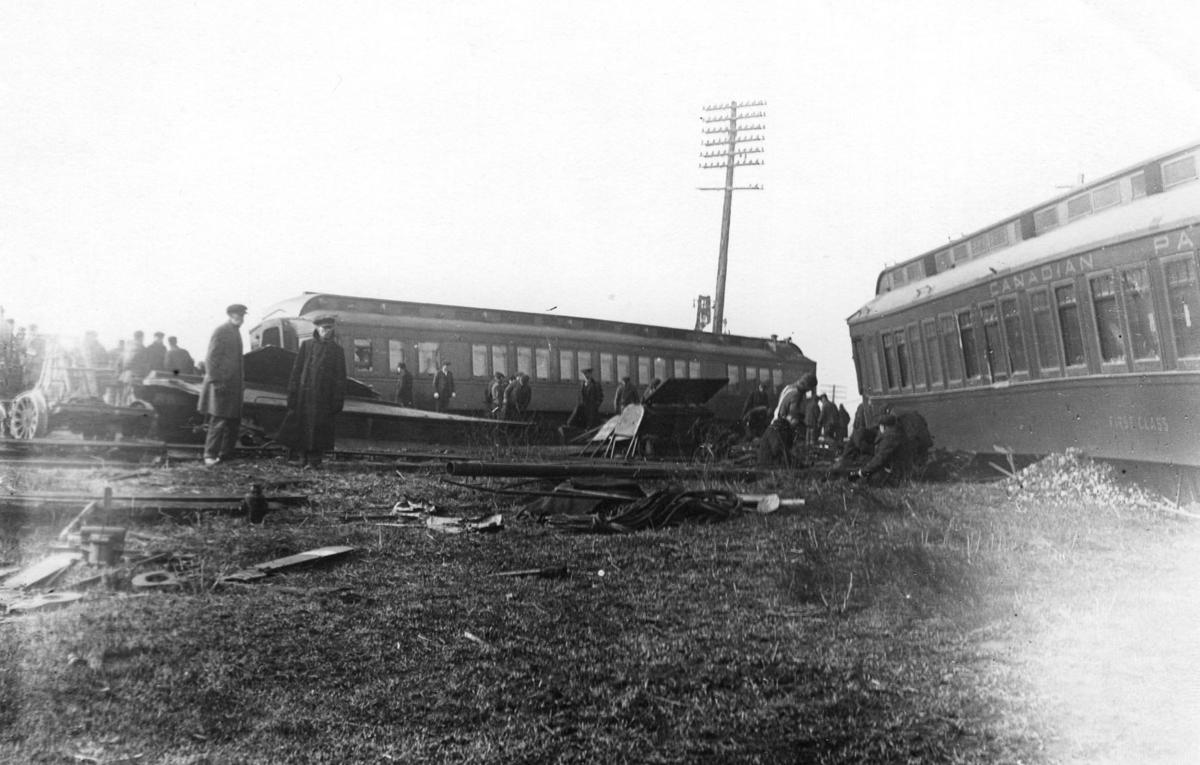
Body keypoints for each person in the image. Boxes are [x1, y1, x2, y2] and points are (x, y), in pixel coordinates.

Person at [275, 314, 346, 469]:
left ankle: (314, 461)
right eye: (324, 328)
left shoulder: (337, 351)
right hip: (304, 395)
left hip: (324, 398)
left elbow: (340, 378)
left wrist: (337, 400)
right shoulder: (306, 346)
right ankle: (302, 458)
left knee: (319, 430)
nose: (327, 332)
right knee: (302, 427)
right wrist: (292, 393)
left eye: (330, 328)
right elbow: (296, 371)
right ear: (317, 329)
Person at [198, 304, 247, 466]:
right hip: (221, 384)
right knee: (218, 421)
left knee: (233, 422)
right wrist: (216, 381)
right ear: (230, 315)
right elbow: (211, 358)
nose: (240, 317)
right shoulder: (222, 331)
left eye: (242, 315)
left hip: (233, 386)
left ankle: (226, 454)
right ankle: (209, 455)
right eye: (237, 314)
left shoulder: (235, 332)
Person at [855, 414, 906, 484]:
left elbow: (880, 459)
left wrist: (862, 472)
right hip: (892, 467)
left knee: (865, 480)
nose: (879, 428)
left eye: (880, 426)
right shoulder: (893, 433)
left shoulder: (890, 438)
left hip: (893, 472)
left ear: (884, 426)